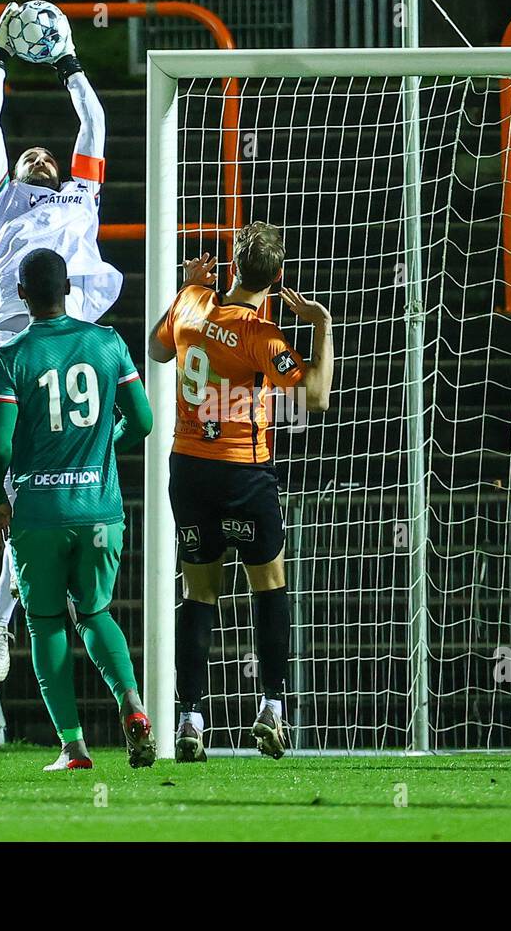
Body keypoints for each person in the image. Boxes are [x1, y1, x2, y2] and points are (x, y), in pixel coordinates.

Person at [147, 222, 334, 761]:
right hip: (242, 472)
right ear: (276, 279)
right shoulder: (261, 336)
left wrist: (187, 286)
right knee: (269, 584)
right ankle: (273, 708)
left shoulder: (190, 302)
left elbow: (159, 352)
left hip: (188, 468)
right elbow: (316, 398)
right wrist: (321, 326)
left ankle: (189, 719)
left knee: (199, 591)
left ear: (231, 266)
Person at [0, 1, 122, 682]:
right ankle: (1, 619)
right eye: (29, 150)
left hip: (74, 349)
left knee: (49, 492)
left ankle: (7, 616)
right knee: (23, 489)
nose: (39, 149)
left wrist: (68, 66)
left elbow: (93, 121)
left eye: (48, 152)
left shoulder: (81, 197)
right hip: (10, 349)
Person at [0, 248, 154, 770]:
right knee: (96, 613)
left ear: (22, 294)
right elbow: (143, 421)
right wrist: (102, 447)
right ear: (68, 290)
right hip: (101, 510)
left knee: (46, 622)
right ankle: (133, 706)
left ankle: (73, 747)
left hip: (39, 514)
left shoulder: (9, 357)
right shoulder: (109, 343)